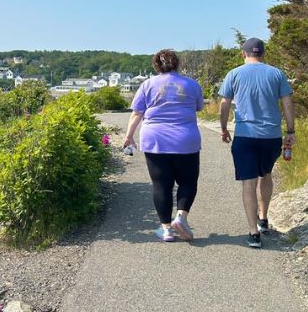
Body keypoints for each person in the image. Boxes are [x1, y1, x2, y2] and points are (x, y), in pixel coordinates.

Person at [218, 37, 295, 248]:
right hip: (271, 136)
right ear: (263, 53)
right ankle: (263, 218)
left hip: (245, 135)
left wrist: (224, 129)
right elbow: (287, 103)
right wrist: (290, 130)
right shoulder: (276, 73)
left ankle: (253, 234)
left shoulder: (234, 74)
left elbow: (224, 104)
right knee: (266, 174)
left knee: (248, 182)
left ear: (243, 54)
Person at [123, 49, 204, 242]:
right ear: (177, 64)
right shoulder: (191, 85)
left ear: (156, 66)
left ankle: (166, 229)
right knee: (188, 181)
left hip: (155, 139)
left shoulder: (147, 85)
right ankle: (181, 218)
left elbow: (137, 113)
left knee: (161, 185)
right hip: (186, 140)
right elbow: (198, 107)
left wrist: (128, 136)